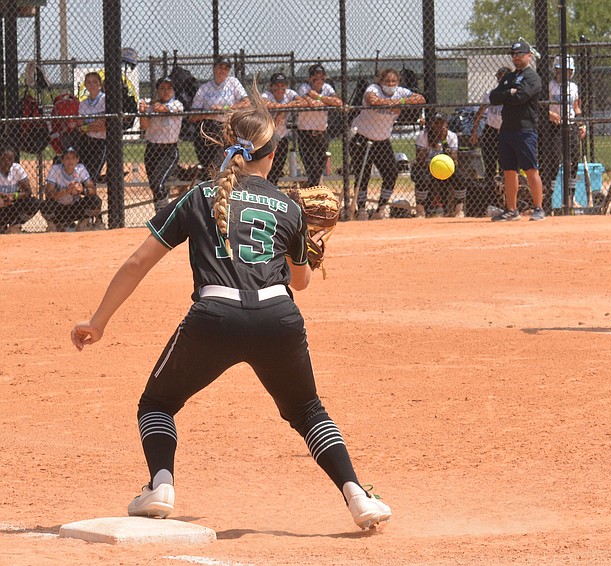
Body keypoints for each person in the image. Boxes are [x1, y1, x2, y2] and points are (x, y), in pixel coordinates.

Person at [69, 88, 392, 530]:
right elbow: (300, 283)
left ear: (227, 148)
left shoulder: (200, 195)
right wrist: (311, 250)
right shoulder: (288, 207)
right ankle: (357, 495)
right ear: (272, 156)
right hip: (279, 317)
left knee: (156, 405)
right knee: (308, 411)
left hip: (214, 319)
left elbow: (138, 261)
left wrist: (98, 321)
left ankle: (161, 484)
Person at [351, 67, 426, 220]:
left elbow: (421, 99)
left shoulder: (400, 92)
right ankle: (362, 209)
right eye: (387, 81)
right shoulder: (374, 88)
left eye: (394, 81)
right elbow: (373, 100)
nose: (390, 84)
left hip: (382, 140)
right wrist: (393, 104)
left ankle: (381, 208)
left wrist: (401, 101)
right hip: (362, 137)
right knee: (362, 175)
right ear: (380, 81)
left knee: (391, 173)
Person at [489, 39, 545, 222]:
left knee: (530, 169)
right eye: (513, 54)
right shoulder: (509, 77)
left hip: (525, 129)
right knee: (508, 170)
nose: (516, 58)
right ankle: (511, 210)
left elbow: (521, 97)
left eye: (520, 54)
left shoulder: (532, 77)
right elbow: (493, 97)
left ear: (529, 55)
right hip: (507, 129)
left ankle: (539, 208)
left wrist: (510, 94)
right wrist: (509, 92)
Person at [540, 55, 586, 213]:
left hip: (571, 126)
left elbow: (576, 107)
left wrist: (582, 124)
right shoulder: (549, 86)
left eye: (567, 71)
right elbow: (540, 106)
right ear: (556, 70)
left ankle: (570, 199)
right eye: (560, 70)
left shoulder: (573, 87)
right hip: (554, 127)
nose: (563, 74)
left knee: (573, 162)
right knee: (553, 161)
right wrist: (549, 114)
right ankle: (548, 201)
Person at [190, 56, 249, 175]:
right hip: (210, 127)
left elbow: (247, 103)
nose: (223, 71)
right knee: (214, 162)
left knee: (228, 160)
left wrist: (224, 108)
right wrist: (208, 113)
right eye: (220, 67)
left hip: (230, 126)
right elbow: (192, 117)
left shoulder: (233, 83)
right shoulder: (204, 88)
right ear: (214, 68)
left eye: (226, 68)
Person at [139, 76, 183, 213]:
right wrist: (143, 112)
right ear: (157, 90)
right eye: (162, 88)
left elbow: (162, 108)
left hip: (169, 151)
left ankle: (164, 213)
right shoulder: (152, 106)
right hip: (152, 148)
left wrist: (151, 105)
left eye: (169, 88)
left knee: (158, 183)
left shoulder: (177, 104)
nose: (165, 91)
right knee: (155, 185)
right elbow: (143, 126)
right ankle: (161, 214)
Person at [296, 64, 342, 188]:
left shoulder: (326, 88)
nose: (319, 81)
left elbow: (338, 102)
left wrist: (319, 97)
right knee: (312, 166)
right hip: (305, 133)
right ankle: (314, 190)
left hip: (322, 133)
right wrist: (325, 102)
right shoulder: (304, 87)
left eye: (322, 77)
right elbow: (310, 103)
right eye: (316, 78)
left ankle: (313, 189)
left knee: (320, 166)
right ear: (310, 78)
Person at [470, 66, 509, 208]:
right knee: (490, 167)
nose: (501, 79)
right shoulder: (490, 94)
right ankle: (490, 200)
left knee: (506, 167)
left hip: (506, 132)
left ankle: (506, 202)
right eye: (499, 77)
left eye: (504, 77)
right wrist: (474, 131)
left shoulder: (512, 94)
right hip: (490, 131)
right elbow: (480, 112)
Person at [411, 113, 463, 217]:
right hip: (427, 167)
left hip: (445, 168)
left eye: (441, 123)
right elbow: (420, 160)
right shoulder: (423, 135)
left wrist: (444, 141)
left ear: (446, 124)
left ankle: (459, 210)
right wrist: (435, 164)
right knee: (422, 178)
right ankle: (420, 211)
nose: (439, 126)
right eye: (436, 123)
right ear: (431, 124)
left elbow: (453, 159)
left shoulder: (451, 136)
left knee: (460, 177)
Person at [41, 146, 104, 232]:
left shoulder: (80, 168)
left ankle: (84, 224)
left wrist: (83, 190)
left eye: (73, 158)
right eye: (67, 158)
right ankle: (54, 225)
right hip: (59, 208)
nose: (70, 161)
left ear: (77, 160)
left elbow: (93, 189)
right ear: (62, 160)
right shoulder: (56, 169)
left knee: (95, 200)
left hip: (75, 207)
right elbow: (48, 193)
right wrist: (66, 191)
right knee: (46, 205)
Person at [262, 73, 305, 184]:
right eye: (277, 85)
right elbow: (265, 103)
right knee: (266, 169)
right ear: (271, 86)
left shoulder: (290, 93)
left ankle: (273, 189)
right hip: (268, 137)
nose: (280, 89)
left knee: (278, 168)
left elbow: (301, 102)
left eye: (283, 85)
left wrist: (283, 109)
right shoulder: (267, 94)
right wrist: (285, 108)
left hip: (282, 138)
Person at [76, 72, 107, 183]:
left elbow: (102, 126)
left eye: (95, 82)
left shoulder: (105, 100)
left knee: (91, 176)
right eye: (88, 82)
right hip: (87, 142)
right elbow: (80, 125)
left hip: (102, 142)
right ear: (85, 85)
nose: (92, 85)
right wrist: (91, 126)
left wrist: (86, 127)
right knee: (82, 174)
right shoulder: (83, 103)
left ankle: (92, 199)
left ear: (100, 84)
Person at [0, 148, 39, 234]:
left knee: (33, 202)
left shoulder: (16, 168)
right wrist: (2, 197)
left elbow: (28, 191)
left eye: (10, 159)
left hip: (13, 204)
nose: (7, 162)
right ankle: (1, 227)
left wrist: (15, 195)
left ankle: (14, 226)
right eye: (3, 159)